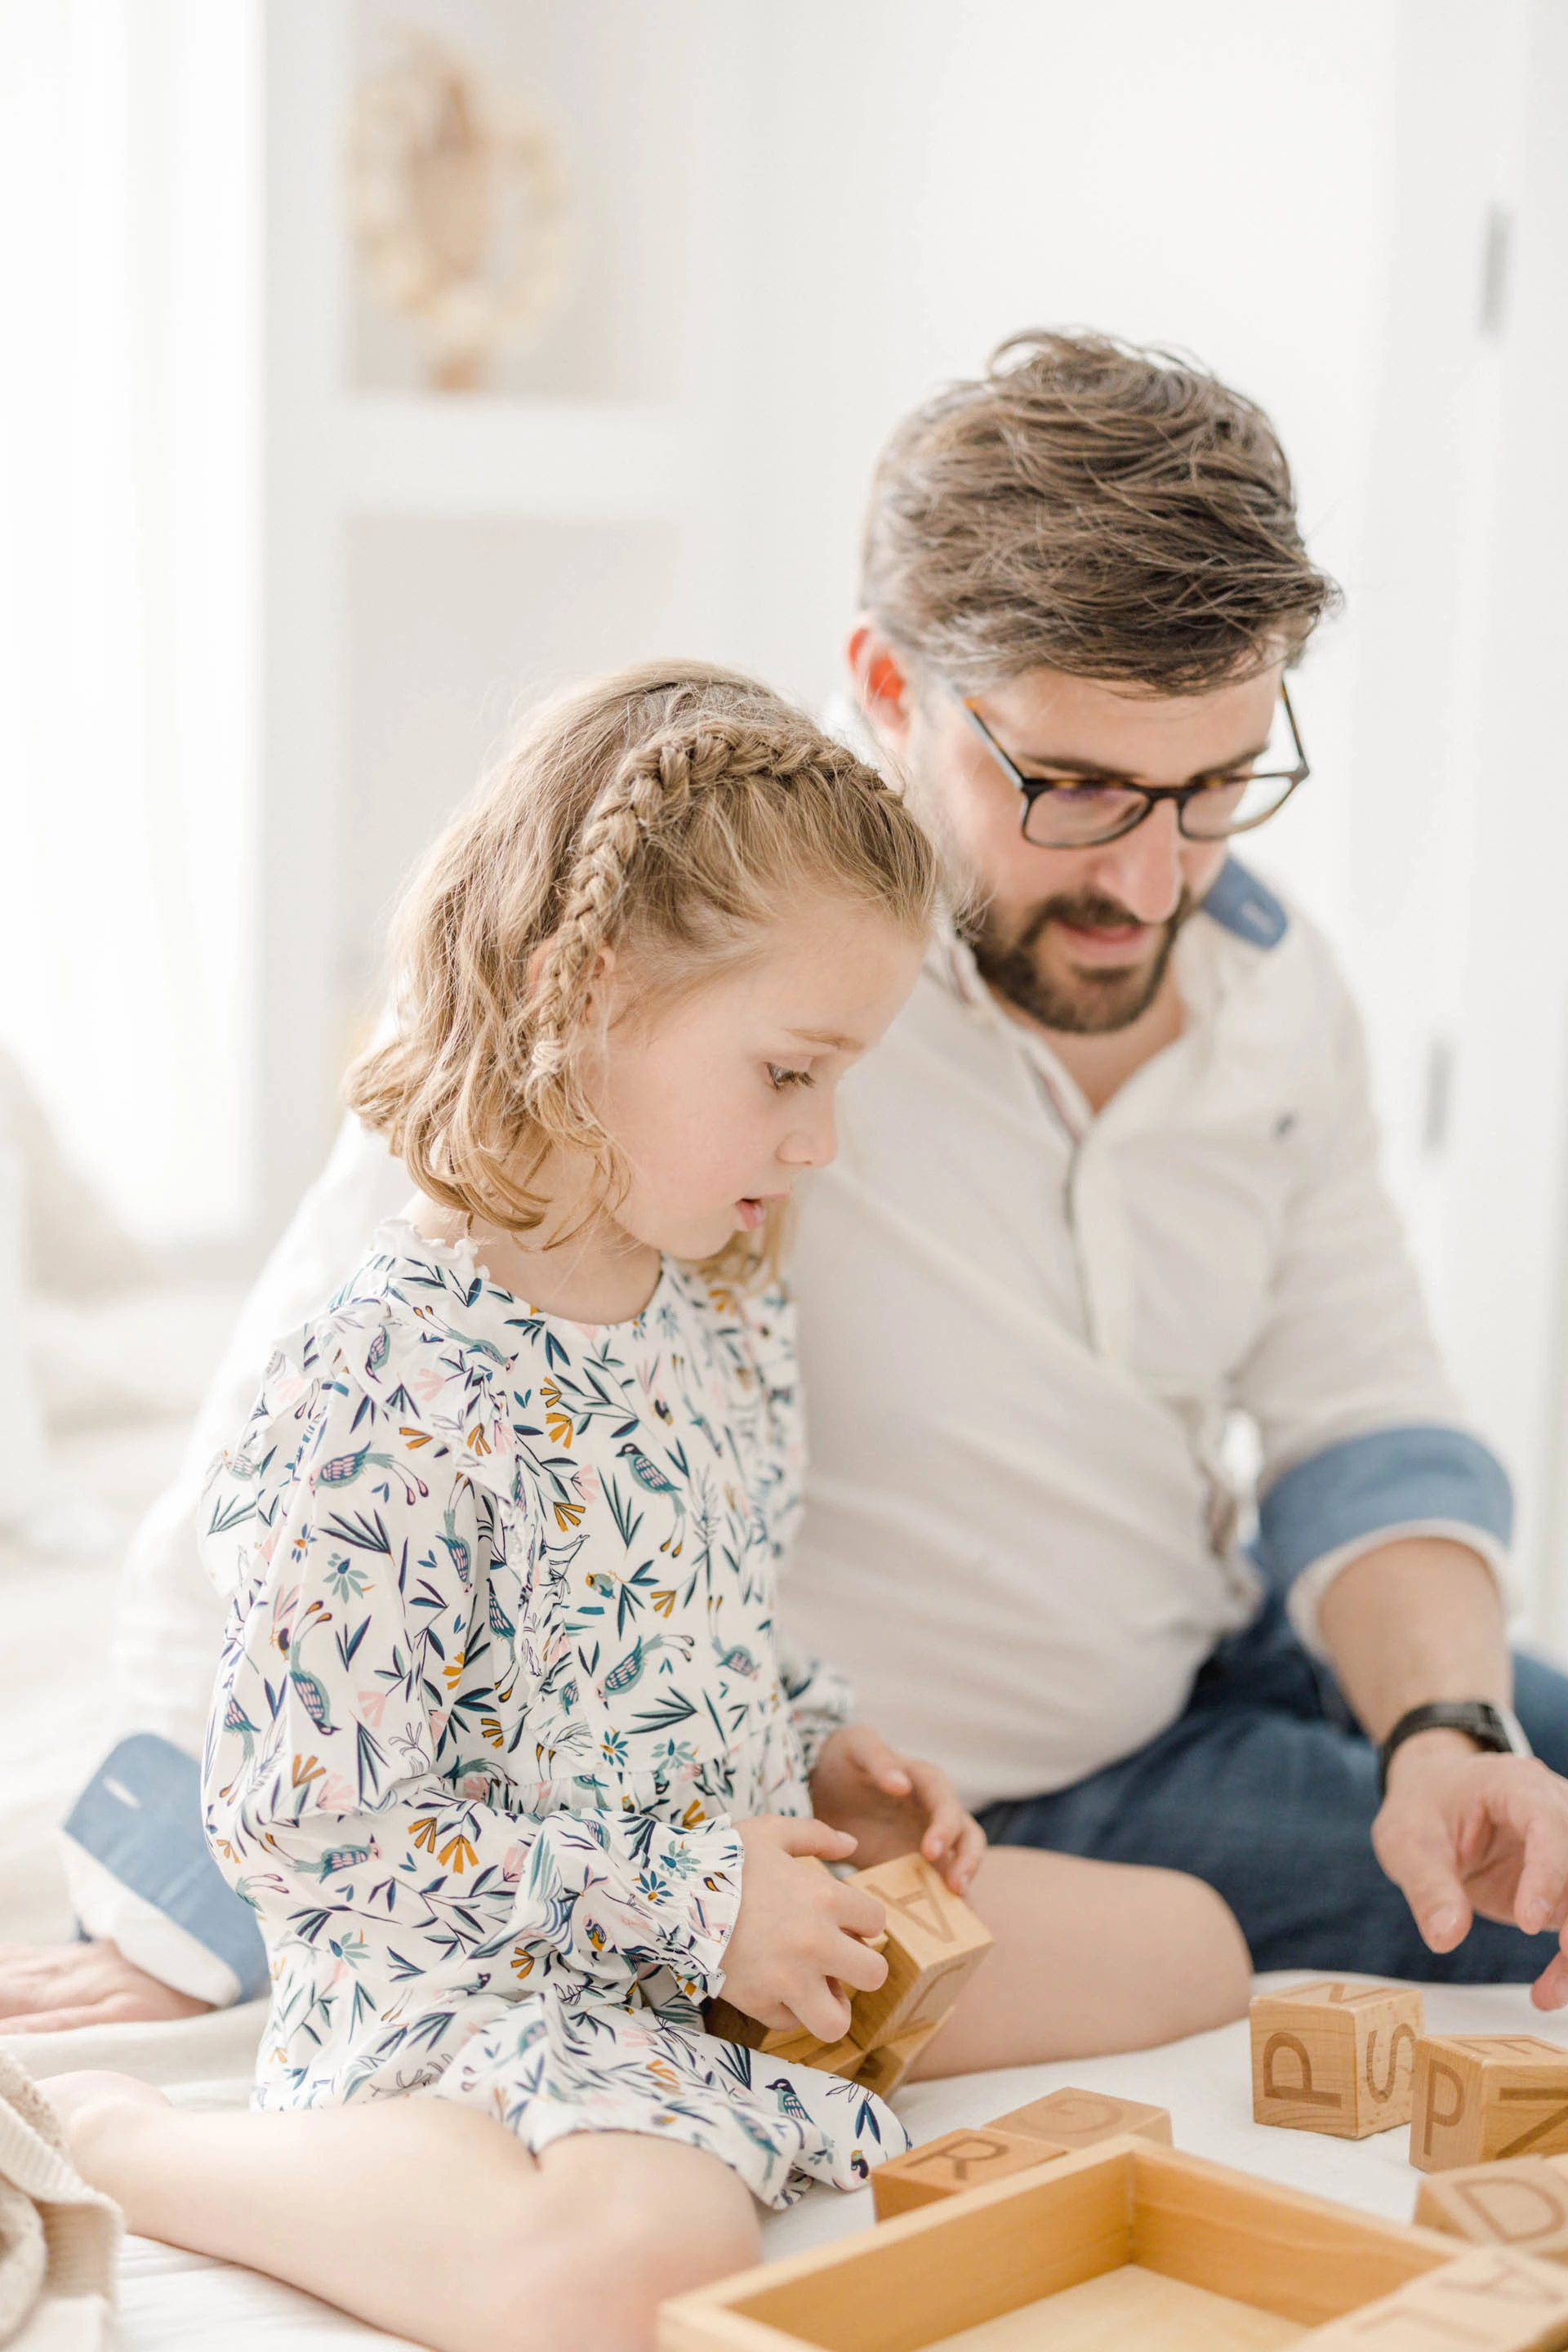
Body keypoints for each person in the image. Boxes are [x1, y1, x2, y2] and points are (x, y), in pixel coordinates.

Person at [7, 330, 1568, 2040]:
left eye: (1213, 791)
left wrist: (1449, 1731)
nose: (1151, 877)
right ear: (888, 688)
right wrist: (185, 1898)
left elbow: (1358, 1410)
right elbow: (316, 1420)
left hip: (1210, 1656)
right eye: (1078, 790)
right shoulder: (719, 956)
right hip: (971, 1789)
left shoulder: (1280, 991)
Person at [41, 666, 1249, 2352]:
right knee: (629, 2274)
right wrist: (695, 1900)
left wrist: (835, 1749)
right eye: (789, 1073)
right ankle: (146, 2147)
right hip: (479, 1983)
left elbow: (708, 1630)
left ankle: (716, 2057)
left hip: (711, 1931)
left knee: (1187, 1947)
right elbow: (313, 1838)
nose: (820, 1142)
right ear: (592, 995)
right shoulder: (387, 1373)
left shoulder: (727, 1308)